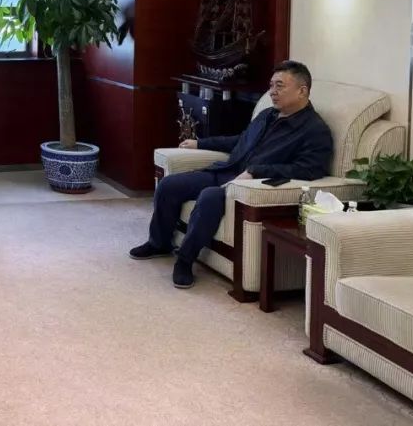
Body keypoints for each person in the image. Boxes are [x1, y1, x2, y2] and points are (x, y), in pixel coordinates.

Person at [129, 60, 332, 289]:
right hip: (227, 171)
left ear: (302, 90)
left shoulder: (314, 130)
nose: (272, 92)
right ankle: (159, 243)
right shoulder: (268, 114)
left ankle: (185, 261)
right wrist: (201, 143)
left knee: (209, 197)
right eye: (271, 85)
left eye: (279, 86)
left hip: (247, 186)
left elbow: (310, 169)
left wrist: (256, 171)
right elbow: (241, 140)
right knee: (169, 185)